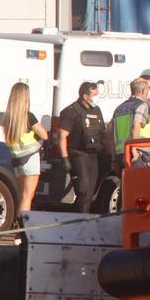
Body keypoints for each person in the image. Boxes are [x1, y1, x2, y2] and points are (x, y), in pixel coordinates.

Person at [56, 81, 106, 214]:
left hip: (94, 155)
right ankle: (81, 218)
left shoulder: (96, 110)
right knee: (83, 190)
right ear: (85, 96)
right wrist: (65, 158)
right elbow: (62, 136)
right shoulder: (70, 111)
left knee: (90, 192)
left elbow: (102, 131)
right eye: (94, 95)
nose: (96, 98)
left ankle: (83, 216)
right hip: (78, 154)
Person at [3, 82, 48, 213]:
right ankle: (23, 230)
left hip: (16, 159)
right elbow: (44, 135)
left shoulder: (9, 117)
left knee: (22, 195)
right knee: (28, 197)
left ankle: (18, 226)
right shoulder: (28, 116)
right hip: (30, 158)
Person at [112, 78, 150, 167]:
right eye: (148, 90)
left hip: (121, 153)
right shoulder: (142, 105)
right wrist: (134, 148)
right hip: (140, 151)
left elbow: (109, 132)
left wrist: (113, 158)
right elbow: (136, 125)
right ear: (143, 91)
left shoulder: (119, 108)